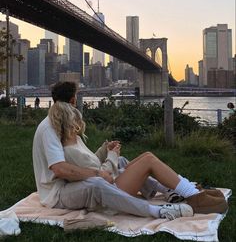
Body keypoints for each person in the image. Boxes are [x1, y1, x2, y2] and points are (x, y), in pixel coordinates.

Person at [32, 82, 228, 221]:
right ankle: (191, 196)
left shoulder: (64, 128)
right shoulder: (51, 128)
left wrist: (103, 151)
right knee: (148, 160)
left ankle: (175, 190)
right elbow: (62, 169)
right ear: (74, 100)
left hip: (82, 183)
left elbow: (84, 163)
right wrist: (106, 162)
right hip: (63, 192)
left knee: (130, 159)